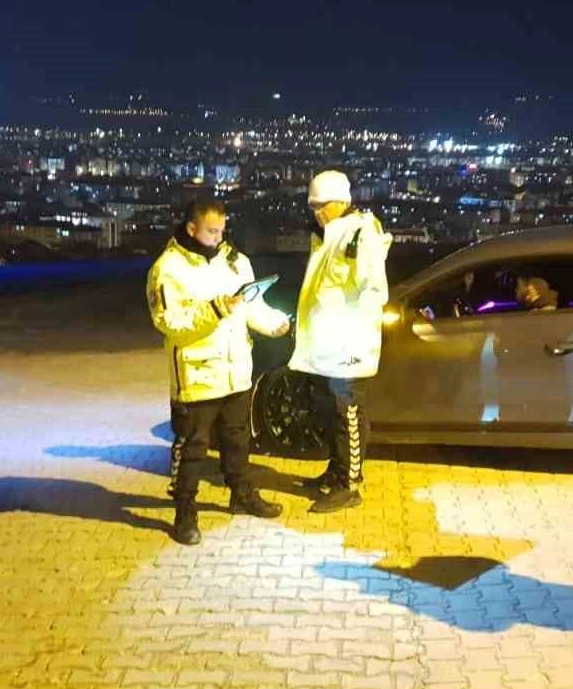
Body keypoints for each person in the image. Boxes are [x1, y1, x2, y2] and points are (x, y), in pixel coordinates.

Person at [147, 198, 291, 545]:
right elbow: (171, 323)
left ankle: (241, 494)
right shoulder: (168, 269)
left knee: (238, 439)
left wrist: (275, 324)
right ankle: (185, 512)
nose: (219, 237)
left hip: (236, 371)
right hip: (197, 377)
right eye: (212, 231)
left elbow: (251, 306)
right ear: (191, 228)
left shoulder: (235, 261)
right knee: (192, 448)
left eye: (222, 230)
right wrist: (216, 309)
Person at [289, 169, 392, 514]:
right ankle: (336, 473)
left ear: (341, 201)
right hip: (328, 344)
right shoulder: (327, 234)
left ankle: (349, 486)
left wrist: (351, 337)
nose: (317, 212)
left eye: (322, 205)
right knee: (332, 413)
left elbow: (373, 291)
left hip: (349, 346)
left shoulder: (360, 233)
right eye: (312, 206)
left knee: (347, 415)